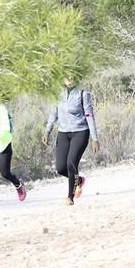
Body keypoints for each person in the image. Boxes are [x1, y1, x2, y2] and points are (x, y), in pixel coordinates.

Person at [43, 76, 100, 205]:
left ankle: (70, 197)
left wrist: (94, 138)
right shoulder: (58, 94)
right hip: (63, 133)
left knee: (71, 164)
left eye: (72, 77)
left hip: (80, 132)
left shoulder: (83, 93)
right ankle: (78, 180)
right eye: (66, 77)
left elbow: (89, 116)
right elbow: (54, 113)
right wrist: (47, 130)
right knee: (61, 168)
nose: (69, 79)